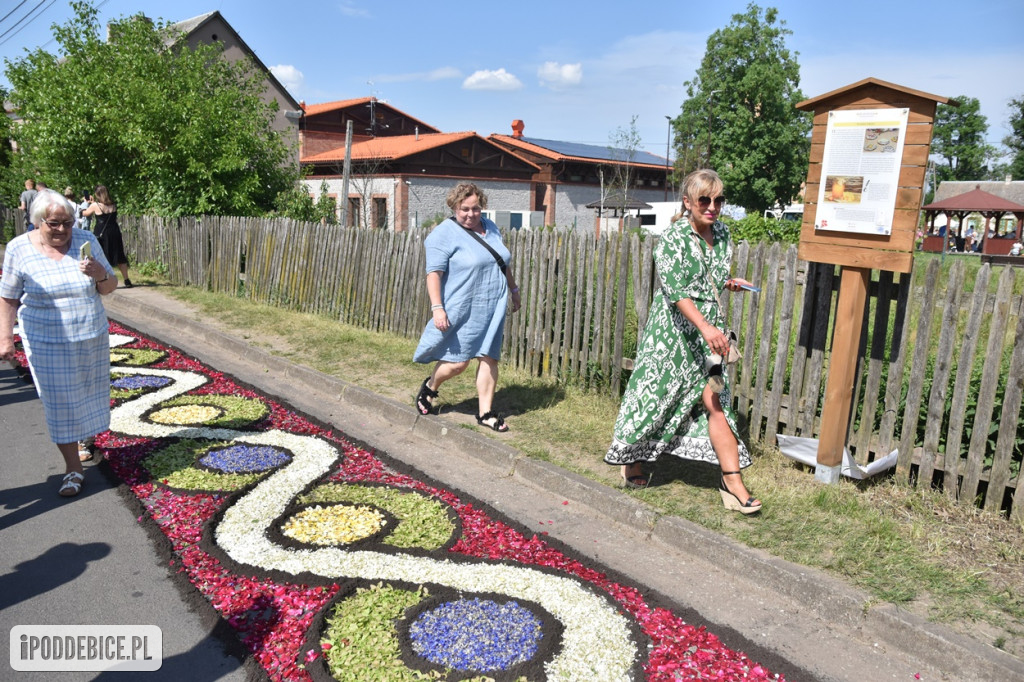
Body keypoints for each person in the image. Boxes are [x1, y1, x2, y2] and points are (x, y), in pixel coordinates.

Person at [604, 169, 761, 514]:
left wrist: (727, 282)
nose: (713, 207)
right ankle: (632, 460)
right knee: (656, 397)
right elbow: (675, 291)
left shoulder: (722, 232)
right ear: (688, 202)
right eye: (704, 199)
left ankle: (732, 483)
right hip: (673, 334)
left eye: (719, 200)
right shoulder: (673, 238)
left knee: (714, 399)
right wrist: (705, 327)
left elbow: (706, 279)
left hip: (710, 332)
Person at [0, 189, 118, 497]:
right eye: (54, 223)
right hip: (46, 340)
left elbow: (109, 287)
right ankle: (73, 469)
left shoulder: (85, 241)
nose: (62, 230)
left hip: (90, 335)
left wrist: (99, 273)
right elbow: (9, 296)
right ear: (38, 221)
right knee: (59, 402)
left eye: (67, 222)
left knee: (89, 393)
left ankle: (85, 441)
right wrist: (5, 338)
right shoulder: (18, 249)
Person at [412, 183, 521, 432]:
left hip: (492, 305)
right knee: (457, 363)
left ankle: (485, 413)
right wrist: (437, 308)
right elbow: (434, 274)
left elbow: (502, 264)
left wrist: (514, 291)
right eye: (465, 209)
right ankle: (430, 386)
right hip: (462, 305)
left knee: (489, 357)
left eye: (476, 209)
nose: (471, 214)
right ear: (453, 207)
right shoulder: (442, 234)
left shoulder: (491, 228)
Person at [82, 185, 132, 287]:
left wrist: (85, 203)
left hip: (102, 233)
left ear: (97, 194)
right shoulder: (113, 204)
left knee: (102, 255)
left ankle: (103, 279)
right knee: (119, 255)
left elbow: (85, 213)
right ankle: (127, 280)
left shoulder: (95, 205)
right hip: (114, 231)